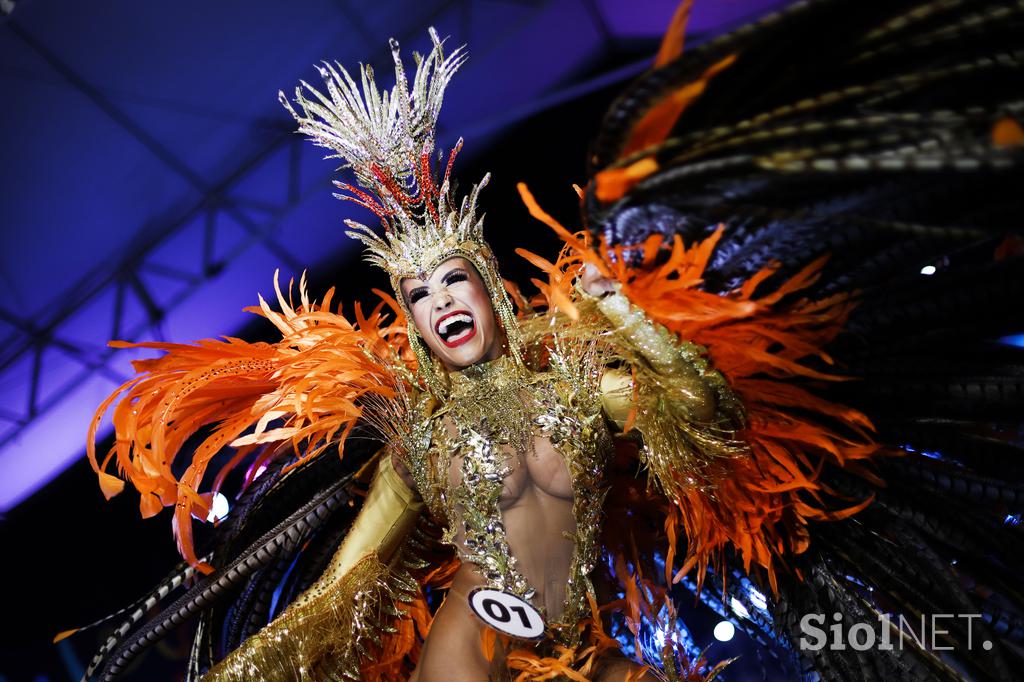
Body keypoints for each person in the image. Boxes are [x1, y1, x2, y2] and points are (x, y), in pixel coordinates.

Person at [78, 2, 1024, 680]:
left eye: (453, 278)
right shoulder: (415, 441)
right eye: (416, 293)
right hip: (472, 652)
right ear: (407, 321)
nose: (439, 300)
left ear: (487, 289)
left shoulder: (581, 382)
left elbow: (715, 430)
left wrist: (627, 318)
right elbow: (345, 595)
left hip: (582, 648)